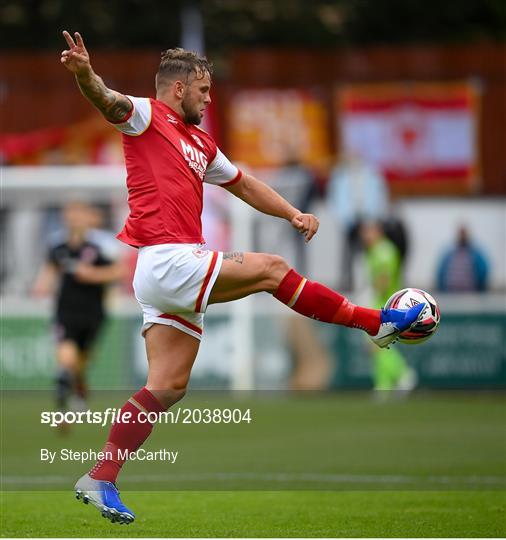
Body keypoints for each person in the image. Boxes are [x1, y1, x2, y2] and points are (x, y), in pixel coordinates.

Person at [60, 30, 425, 524]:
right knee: (272, 269)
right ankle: (375, 324)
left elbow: (245, 184)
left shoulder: (200, 143)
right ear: (177, 89)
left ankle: (101, 477)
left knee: (167, 386)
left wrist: (292, 214)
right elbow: (105, 99)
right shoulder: (147, 115)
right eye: (204, 91)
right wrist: (85, 74)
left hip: (165, 270)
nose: (210, 99)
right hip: (167, 258)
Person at [33, 200, 125, 416]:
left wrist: (93, 275)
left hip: (93, 312)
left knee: (80, 362)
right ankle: (62, 399)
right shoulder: (58, 247)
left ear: (88, 216)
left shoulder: (102, 246)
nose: (73, 217)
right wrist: (41, 287)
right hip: (65, 311)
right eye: (69, 212)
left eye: (78, 212)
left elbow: (119, 271)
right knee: (67, 356)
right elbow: (48, 273)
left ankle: (78, 392)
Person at [361, 221, 417, 395]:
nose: (365, 236)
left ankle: (403, 373)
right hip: (383, 303)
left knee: (376, 344)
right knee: (379, 346)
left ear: (377, 231)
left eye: (368, 231)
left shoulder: (383, 251)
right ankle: (384, 387)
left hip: (385, 304)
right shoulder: (378, 250)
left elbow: (383, 279)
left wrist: (370, 293)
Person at [327, 154, 389, 291]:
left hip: (368, 218)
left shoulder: (371, 175)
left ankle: (368, 282)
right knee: (348, 253)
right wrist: (343, 218)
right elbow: (335, 199)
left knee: (370, 253)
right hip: (349, 220)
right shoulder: (340, 176)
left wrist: (375, 217)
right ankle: (348, 282)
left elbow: (379, 196)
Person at [436, 225, 489, 292]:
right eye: (461, 234)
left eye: (464, 234)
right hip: (450, 293)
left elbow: (483, 272)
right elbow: (441, 273)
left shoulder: (476, 254)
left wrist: (480, 289)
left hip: (470, 293)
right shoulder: (449, 254)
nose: (462, 236)